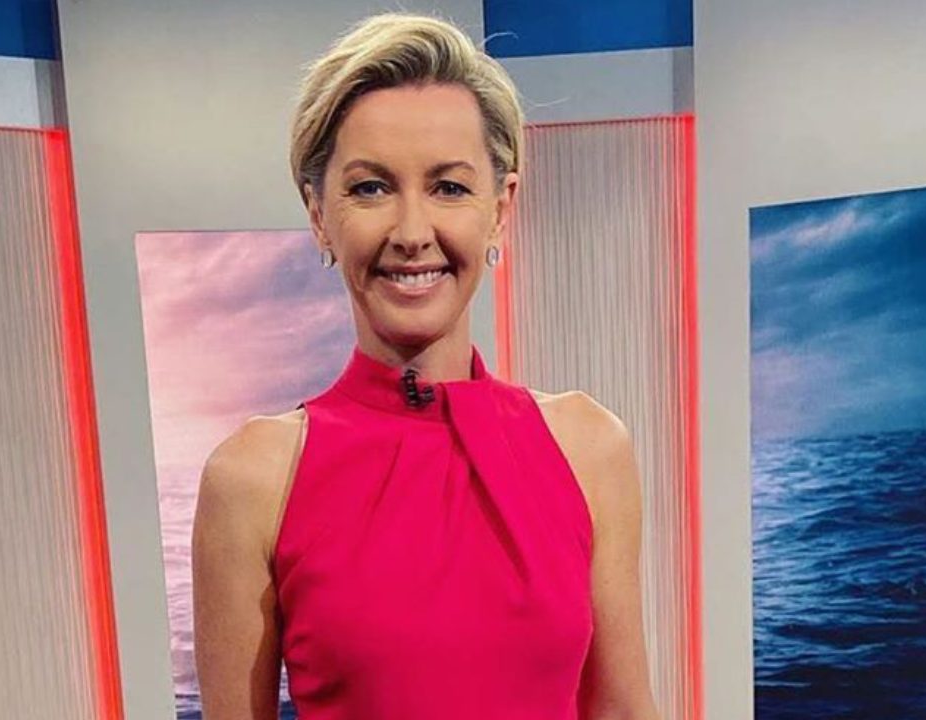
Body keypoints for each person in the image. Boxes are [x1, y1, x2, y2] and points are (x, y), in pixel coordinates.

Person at [192, 12, 657, 720]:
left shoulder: (590, 447)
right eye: (370, 188)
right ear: (318, 214)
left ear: (500, 208)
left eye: (449, 188)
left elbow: (623, 710)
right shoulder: (251, 479)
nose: (412, 233)